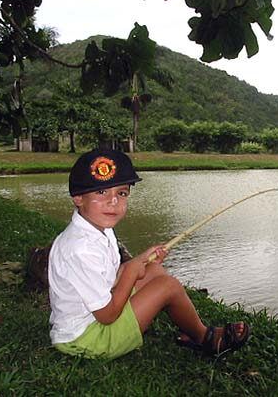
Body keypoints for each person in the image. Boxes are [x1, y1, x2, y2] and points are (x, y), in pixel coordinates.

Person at [48, 148, 250, 359]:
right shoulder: (81, 248)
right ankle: (205, 338)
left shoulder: (100, 229)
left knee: (153, 270)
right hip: (87, 339)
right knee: (167, 286)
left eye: (121, 193)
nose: (113, 202)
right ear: (78, 198)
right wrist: (130, 273)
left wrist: (140, 261)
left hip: (96, 318)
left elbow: (110, 278)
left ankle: (190, 326)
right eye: (101, 192)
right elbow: (107, 316)